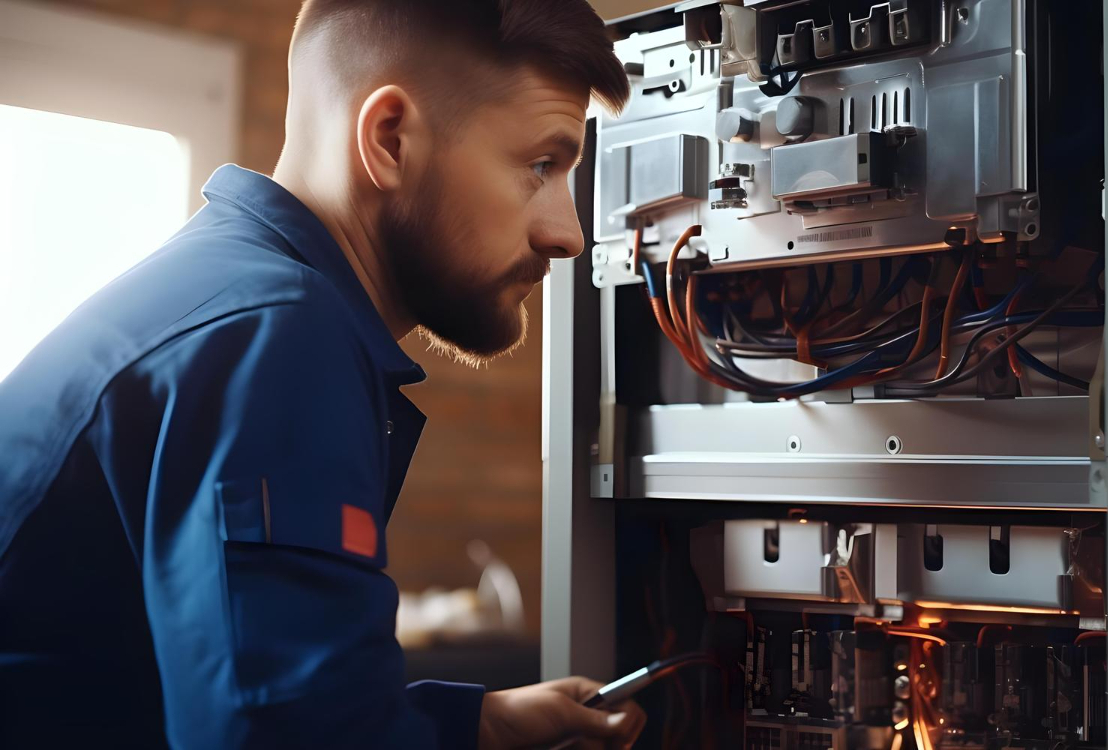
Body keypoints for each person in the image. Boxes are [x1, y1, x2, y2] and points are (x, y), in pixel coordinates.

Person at [0, 0, 641, 747]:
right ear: (389, 138)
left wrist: (476, 725)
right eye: (541, 165)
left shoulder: (235, 291)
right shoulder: (275, 334)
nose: (567, 234)